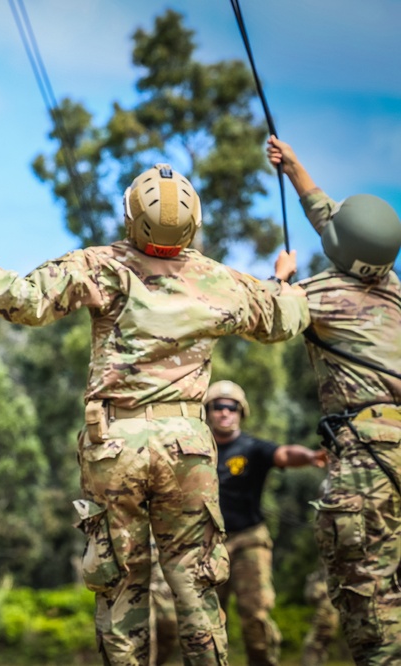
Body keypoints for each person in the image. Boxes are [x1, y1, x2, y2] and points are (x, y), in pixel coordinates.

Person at [0, 163, 310, 666]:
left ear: (131, 217)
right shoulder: (218, 279)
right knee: (196, 587)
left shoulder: (101, 264)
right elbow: (283, 320)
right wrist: (283, 283)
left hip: (116, 443)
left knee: (120, 585)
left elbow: (21, 301)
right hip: (189, 448)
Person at [268, 136, 401, 666]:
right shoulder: (391, 285)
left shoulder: (319, 295)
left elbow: (270, 322)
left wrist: (281, 283)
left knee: (369, 598)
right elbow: (340, 227)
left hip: (368, 457)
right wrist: (296, 168)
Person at [205, 379, 327, 666]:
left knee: (255, 615)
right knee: (207, 621)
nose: (225, 412)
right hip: (207, 544)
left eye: (231, 407)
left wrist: (311, 456)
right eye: (218, 407)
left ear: (241, 412)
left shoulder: (252, 448)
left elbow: (284, 454)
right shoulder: (195, 450)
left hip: (249, 540)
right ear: (208, 411)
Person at [300, 566, 341, 666]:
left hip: (326, 615)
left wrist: (311, 583)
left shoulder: (325, 580)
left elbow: (312, 596)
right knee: (320, 648)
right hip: (330, 616)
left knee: (312, 646)